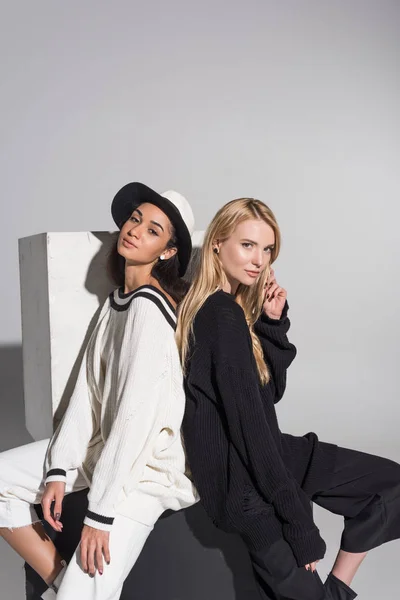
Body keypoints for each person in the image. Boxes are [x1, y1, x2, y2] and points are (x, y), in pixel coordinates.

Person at [176, 197, 400, 600]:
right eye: (247, 245)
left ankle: (335, 590)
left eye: (267, 250)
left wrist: (271, 324)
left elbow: (266, 396)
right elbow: (250, 433)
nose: (259, 260)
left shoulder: (231, 309)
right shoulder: (220, 318)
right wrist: (298, 523)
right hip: (245, 487)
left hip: (273, 456)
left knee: (392, 486)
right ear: (216, 244)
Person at [0, 182, 198, 600]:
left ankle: (70, 589)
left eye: (153, 230)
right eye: (135, 219)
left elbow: (134, 420)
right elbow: (88, 396)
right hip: (104, 449)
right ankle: (60, 585)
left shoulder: (149, 309)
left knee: (86, 586)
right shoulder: (116, 303)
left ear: (166, 251)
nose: (135, 230)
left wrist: (100, 514)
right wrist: (59, 469)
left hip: (148, 471)